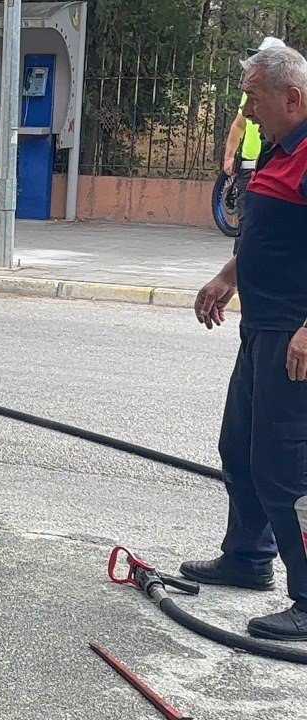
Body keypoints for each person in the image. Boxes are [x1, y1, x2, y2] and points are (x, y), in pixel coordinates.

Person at [187, 44, 307, 642]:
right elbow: (270, 233)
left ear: (292, 98)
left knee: (287, 468)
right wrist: (227, 276)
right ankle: (247, 557)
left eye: (255, 98)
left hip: (296, 337)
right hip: (261, 326)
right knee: (239, 446)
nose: (248, 110)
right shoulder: (282, 149)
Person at [222, 36, 286, 250]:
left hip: (275, 166)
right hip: (250, 167)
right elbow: (238, 125)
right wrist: (229, 156)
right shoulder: (251, 92)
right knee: (246, 226)